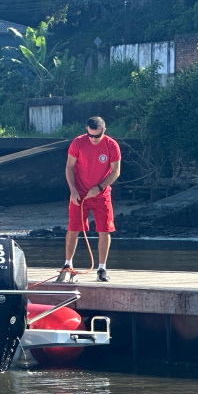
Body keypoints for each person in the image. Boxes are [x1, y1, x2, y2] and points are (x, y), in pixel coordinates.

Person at [61, 116, 121, 282]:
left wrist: (99, 188)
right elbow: (69, 167)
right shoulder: (78, 143)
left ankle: (102, 268)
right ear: (86, 131)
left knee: (104, 229)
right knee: (73, 227)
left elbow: (116, 171)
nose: (94, 139)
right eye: (90, 135)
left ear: (104, 130)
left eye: (97, 136)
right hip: (79, 191)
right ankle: (67, 265)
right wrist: (73, 190)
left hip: (101, 193)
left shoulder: (111, 145)